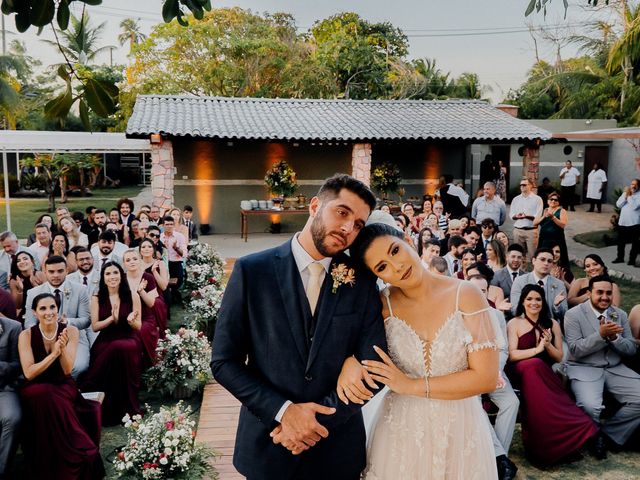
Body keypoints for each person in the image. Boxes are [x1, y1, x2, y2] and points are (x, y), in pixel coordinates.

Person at [211, 174, 387, 480]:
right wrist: (284, 413)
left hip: (336, 451)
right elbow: (224, 362)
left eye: (358, 224)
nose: (348, 228)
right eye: (342, 212)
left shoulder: (362, 280)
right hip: (269, 444)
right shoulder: (252, 271)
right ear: (315, 206)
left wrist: (312, 425)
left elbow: (376, 368)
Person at [338, 222, 499, 479]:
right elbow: (343, 342)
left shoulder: (466, 294)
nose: (396, 266)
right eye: (382, 267)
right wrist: (348, 360)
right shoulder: (380, 306)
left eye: (394, 251)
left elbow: (486, 377)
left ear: (408, 241)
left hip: (459, 427)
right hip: (400, 430)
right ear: (377, 276)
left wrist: (410, 386)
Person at [506, 284, 598, 465]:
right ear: (523, 302)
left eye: (538, 299)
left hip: (544, 373)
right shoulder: (514, 322)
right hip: (521, 370)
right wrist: (537, 349)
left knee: (540, 374)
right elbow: (512, 355)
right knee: (534, 364)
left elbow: (558, 356)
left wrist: (547, 346)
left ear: (543, 302)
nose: (534, 303)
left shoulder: (552, 323)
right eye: (529, 299)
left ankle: (573, 433)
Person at [18, 293, 104, 479]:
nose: (48, 312)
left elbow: (66, 370)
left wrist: (62, 350)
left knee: (54, 397)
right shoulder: (25, 335)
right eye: (43, 308)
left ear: (58, 310)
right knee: (43, 394)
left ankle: (74, 448)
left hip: (62, 383)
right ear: (34, 312)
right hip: (35, 385)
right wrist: (53, 354)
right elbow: (29, 372)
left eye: (52, 307)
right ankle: (49, 456)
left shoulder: (70, 331)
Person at [564, 275, 640, 455]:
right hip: (585, 367)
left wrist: (614, 338)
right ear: (589, 293)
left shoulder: (618, 314)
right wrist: (600, 335)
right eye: (599, 292)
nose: (605, 297)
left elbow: (630, 349)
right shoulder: (573, 314)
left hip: (615, 369)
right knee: (590, 405)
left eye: (608, 293)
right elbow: (575, 350)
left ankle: (607, 435)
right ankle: (592, 436)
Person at [468, 275, 519, 480]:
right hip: (468, 374)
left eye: (482, 290)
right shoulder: (456, 314)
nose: (478, 294)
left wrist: (494, 370)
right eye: (473, 290)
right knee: (473, 404)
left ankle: (499, 457)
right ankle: (499, 459)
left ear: (487, 292)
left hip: (494, 371)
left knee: (511, 402)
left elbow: (503, 348)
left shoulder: (497, 315)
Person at [80, 261, 143, 426]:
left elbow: (139, 326)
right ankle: (104, 407)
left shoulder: (132, 295)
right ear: (103, 278)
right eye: (108, 274)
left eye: (115, 273)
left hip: (128, 336)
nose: (112, 277)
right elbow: (95, 327)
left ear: (121, 276)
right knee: (112, 348)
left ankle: (128, 408)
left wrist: (130, 320)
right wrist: (111, 319)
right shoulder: (96, 297)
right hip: (106, 338)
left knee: (122, 347)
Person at [24, 256, 93, 379]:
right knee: (44, 365)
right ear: (44, 271)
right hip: (43, 337)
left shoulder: (80, 290)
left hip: (73, 335)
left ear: (67, 270)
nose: (55, 275)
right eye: (51, 271)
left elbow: (86, 320)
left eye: (60, 271)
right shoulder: (33, 293)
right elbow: (29, 323)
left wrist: (68, 321)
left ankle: (70, 389)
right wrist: (46, 329)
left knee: (78, 366)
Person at [123, 249, 167, 365]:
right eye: (128, 260)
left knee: (142, 330)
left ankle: (146, 362)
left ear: (139, 261)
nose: (132, 262)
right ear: (124, 264)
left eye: (135, 259)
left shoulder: (148, 277)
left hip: (146, 316)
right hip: (126, 315)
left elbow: (151, 304)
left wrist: (141, 291)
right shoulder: (121, 279)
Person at [511, 248, 568, 322]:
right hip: (526, 325)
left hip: (550, 326)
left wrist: (556, 306)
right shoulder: (520, 281)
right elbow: (515, 310)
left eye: (549, 261)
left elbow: (564, 314)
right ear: (533, 261)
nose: (546, 263)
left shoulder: (559, 284)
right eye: (542, 259)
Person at [0, 316, 21, 479]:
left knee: (12, 418)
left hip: (4, 387)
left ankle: (2, 471)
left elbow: (18, 364)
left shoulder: (14, 327)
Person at [510, 177, 543, 263]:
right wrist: (517, 216)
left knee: (534, 257)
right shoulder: (516, 199)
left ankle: (535, 275)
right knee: (519, 257)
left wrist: (526, 216)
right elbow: (511, 215)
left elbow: (538, 217)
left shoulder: (537, 199)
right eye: (521, 185)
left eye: (524, 185)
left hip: (531, 231)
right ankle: (520, 275)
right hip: (518, 230)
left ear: (530, 186)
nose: (522, 186)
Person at [534, 192, 569, 268]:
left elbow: (563, 225)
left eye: (555, 200)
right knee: (543, 256)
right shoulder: (544, 210)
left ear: (558, 202)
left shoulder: (562, 211)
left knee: (559, 258)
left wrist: (553, 217)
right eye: (551, 199)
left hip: (556, 238)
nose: (553, 201)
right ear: (547, 201)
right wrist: (544, 216)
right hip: (544, 238)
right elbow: (535, 223)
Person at [9, 251, 46, 322]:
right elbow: (17, 305)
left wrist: (35, 286)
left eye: (25, 259)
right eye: (18, 261)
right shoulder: (14, 280)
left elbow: (48, 297)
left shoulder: (40, 275)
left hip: (42, 309)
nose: (22, 262)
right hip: (25, 312)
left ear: (32, 261)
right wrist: (20, 290)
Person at [160, 215, 188, 304]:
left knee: (178, 282)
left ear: (174, 225)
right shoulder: (159, 237)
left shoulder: (179, 236)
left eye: (171, 224)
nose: (169, 226)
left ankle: (174, 295)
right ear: (163, 225)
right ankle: (168, 297)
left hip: (175, 263)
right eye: (167, 224)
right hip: (163, 264)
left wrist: (176, 248)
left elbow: (184, 254)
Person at [613, 178, 640, 266]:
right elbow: (618, 204)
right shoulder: (626, 193)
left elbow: (634, 206)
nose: (633, 186)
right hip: (623, 222)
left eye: (635, 184)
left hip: (634, 223)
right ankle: (620, 258)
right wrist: (625, 195)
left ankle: (632, 260)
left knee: (635, 243)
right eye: (632, 184)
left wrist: (629, 196)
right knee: (621, 242)